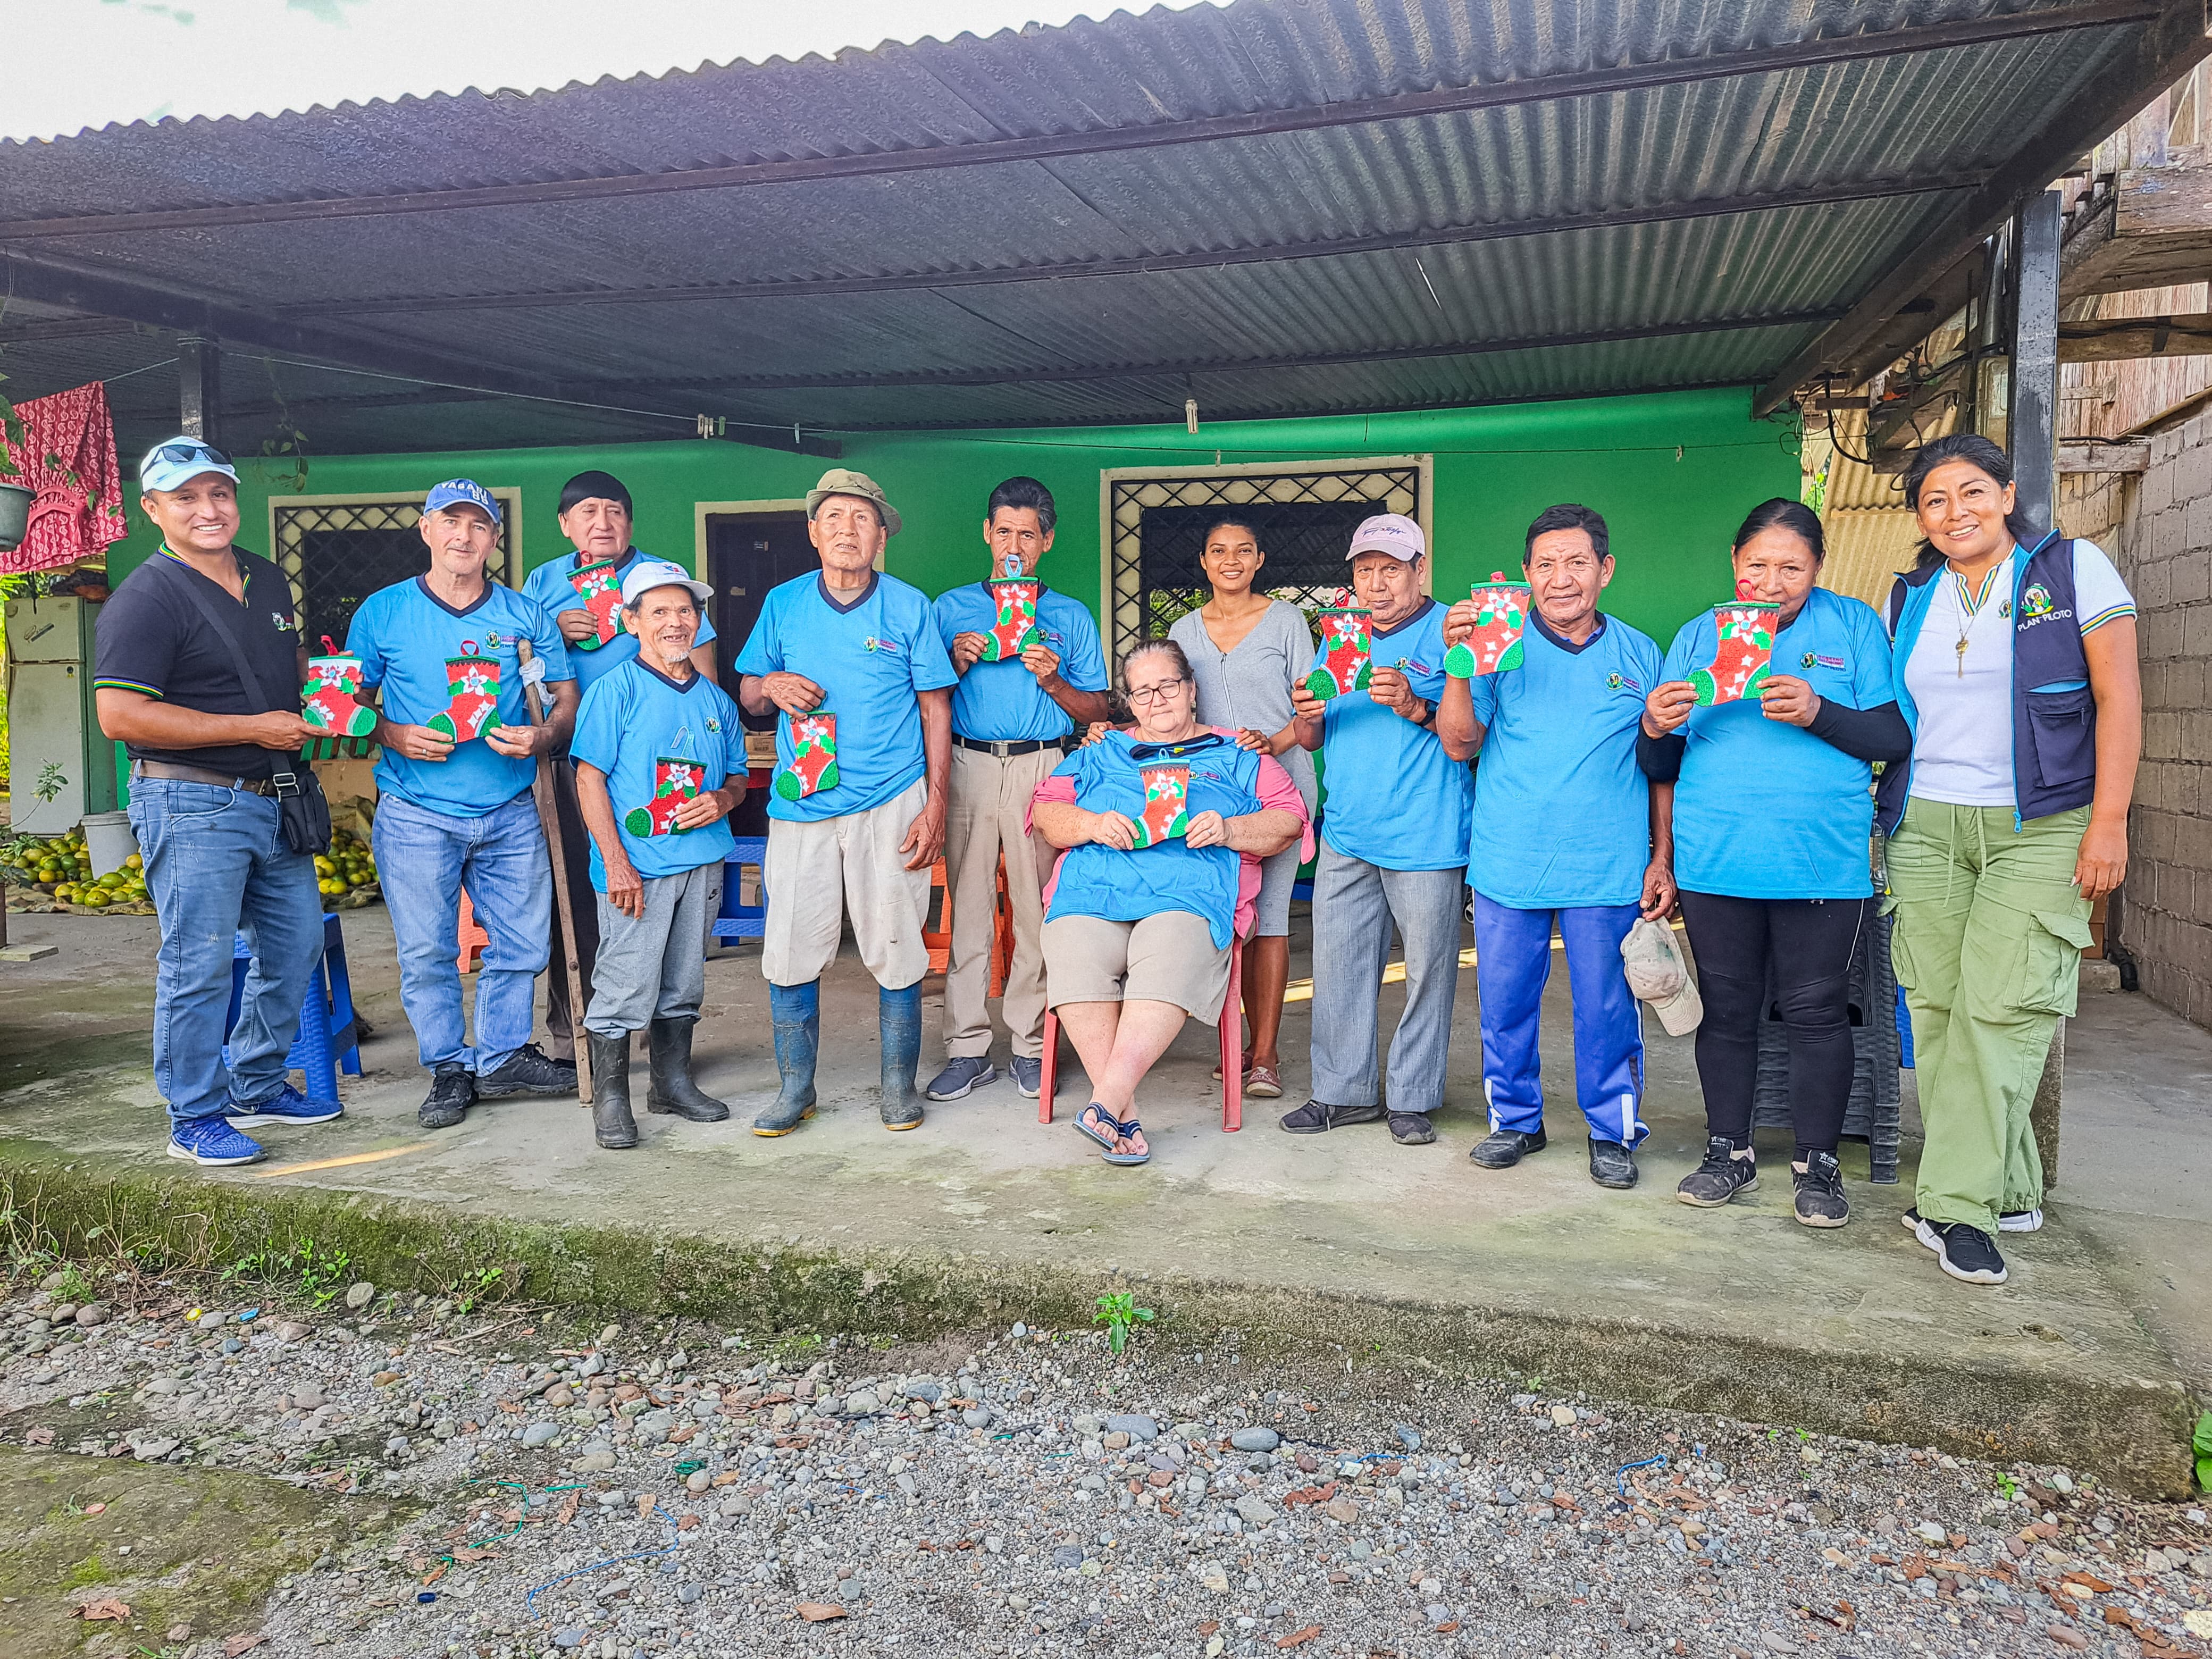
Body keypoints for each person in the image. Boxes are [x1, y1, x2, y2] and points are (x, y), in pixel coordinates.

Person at [1878, 434, 2140, 1287]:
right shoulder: (1911, 595)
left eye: (1970, 492)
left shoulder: (2071, 570)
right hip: (1926, 824)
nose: (1955, 512)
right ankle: (2014, 1186)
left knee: (2004, 1011)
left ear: (2006, 493)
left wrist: (2110, 823)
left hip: (2043, 824)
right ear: (1921, 517)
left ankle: (1954, 1208)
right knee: (1940, 1013)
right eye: (1935, 500)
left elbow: (2120, 699)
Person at [1638, 500, 1911, 1227]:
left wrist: (1819, 710)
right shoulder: (1698, 636)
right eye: (1756, 565)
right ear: (1734, 561)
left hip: (1819, 859)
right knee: (1727, 1011)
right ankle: (1727, 1151)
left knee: (1816, 1011)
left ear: (1817, 568)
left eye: (1791, 567)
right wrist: (1653, 725)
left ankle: (1817, 1165)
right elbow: (1660, 763)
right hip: (1717, 857)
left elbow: (1894, 738)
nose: (1771, 582)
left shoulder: (1851, 626)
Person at [93, 438, 340, 1167]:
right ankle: (194, 1115)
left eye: (219, 493)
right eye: (186, 497)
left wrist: (329, 688)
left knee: (295, 948)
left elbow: (281, 663)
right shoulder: (145, 599)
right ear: (153, 509)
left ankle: (255, 1082)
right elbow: (119, 717)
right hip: (191, 801)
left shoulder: (266, 578)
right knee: (197, 964)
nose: (208, 510)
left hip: (275, 798)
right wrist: (252, 728)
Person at [1437, 503, 1670, 1189]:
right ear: (1525, 574)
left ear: (1605, 570)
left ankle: (1612, 1131)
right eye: (1545, 565)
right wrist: (1459, 661)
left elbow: (1662, 763)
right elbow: (1458, 743)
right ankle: (1515, 1121)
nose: (1560, 578)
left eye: (1576, 563)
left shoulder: (1639, 653)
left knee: (1606, 1009)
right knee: (1504, 1003)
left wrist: (1662, 857)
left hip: (1606, 864)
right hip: (1509, 860)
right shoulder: (1496, 645)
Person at [346, 480, 580, 1129]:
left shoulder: (524, 615)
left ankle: (501, 1055)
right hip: (416, 810)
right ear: (426, 530)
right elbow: (347, 700)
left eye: (478, 525)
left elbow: (563, 695)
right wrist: (390, 732)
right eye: (450, 522)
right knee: (427, 952)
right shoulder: (383, 612)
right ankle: (449, 1066)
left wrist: (544, 735)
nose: (464, 536)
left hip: (510, 807)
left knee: (522, 946)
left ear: (494, 540)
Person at [734, 468, 957, 1135]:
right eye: (833, 517)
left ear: (881, 536)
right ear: (812, 532)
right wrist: (771, 684)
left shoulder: (908, 606)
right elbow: (748, 693)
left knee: (896, 943)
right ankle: (794, 1089)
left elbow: (935, 709)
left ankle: (897, 1087)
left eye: (862, 519)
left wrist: (935, 805)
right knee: (790, 945)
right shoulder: (783, 602)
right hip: (802, 802)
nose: (846, 530)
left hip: (890, 797)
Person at [1030, 640, 1308, 1164]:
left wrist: (1229, 829)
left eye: (1167, 686)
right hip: (1096, 889)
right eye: (1142, 692)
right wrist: (1092, 823)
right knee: (1070, 944)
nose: (1156, 699)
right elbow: (1046, 812)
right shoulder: (1100, 750)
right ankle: (1119, 1111)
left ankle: (1106, 1104)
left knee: (1172, 948)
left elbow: (1288, 820)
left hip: (1188, 894)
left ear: (1191, 689)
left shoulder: (1237, 753)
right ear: (1129, 702)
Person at [1281, 514, 1478, 1146]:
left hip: (1425, 833)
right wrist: (1304, 712)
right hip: (1347, 830)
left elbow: (1469, 741)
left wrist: (1414, 704)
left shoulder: (1452, 631)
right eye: (1364, 570)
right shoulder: (1341, 635)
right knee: (1338, 966)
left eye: (1390, 570)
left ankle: (1413, 1098)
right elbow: (1312, 736)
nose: (1376, 584)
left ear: (1420, 570)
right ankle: (1342, 1093)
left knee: (1426, 973)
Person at [521, 471, 720, 1066]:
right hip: (571, 762)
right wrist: (553, 635)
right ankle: (576, 1039)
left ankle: (659, 1041)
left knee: (660, 899)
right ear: (565, 524)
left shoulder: (664, 581)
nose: (602, 523)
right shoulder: (544, 583)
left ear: (630, 523)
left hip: (660, 767)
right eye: (587, 511)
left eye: (614, 511)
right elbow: (516, 669)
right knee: (578, 899)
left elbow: (704, 679)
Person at [925, 477, 1112, 1104]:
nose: (1013, 546)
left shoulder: (1069, 616)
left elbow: (1099, 708)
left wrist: (1054, 682)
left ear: (1046, 542)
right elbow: (921, 702)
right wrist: (954, 663)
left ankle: (1033, 1046)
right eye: (1003, 532)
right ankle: (966, 1048)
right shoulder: (950, 609)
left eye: (1027, 535)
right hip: (969, 763)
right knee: (968, 912)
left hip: (1043, 767)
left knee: (1037, 914)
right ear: (986, 533)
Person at [569, 560, 747, 1150]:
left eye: (686, 611)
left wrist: (723, 799)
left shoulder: (717, 701)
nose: (676, 622)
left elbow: (739, 779)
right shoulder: (613, 691)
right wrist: (615, 862)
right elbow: (589, 779)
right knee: (624, 982)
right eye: (660, 611)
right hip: (638, 868)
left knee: (684, 981)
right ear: (632, 622)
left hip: (702, 861)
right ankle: (612, 1101)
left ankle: (671, 1084)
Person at [1166, 517, 1318, 1099]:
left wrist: (1271, 744)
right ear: (1204, 562)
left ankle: (1265, 1053)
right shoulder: (1183, 630)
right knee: (1231, 918)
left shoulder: (1286, 621)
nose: (1231, 560)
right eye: (1218, 551)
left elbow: (1313, 703)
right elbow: (1174, 708)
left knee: (1271, 919)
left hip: (1279, 786)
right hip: (1210, 795)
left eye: (1243, 551)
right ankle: (1236, 1043)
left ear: (1259, 561)